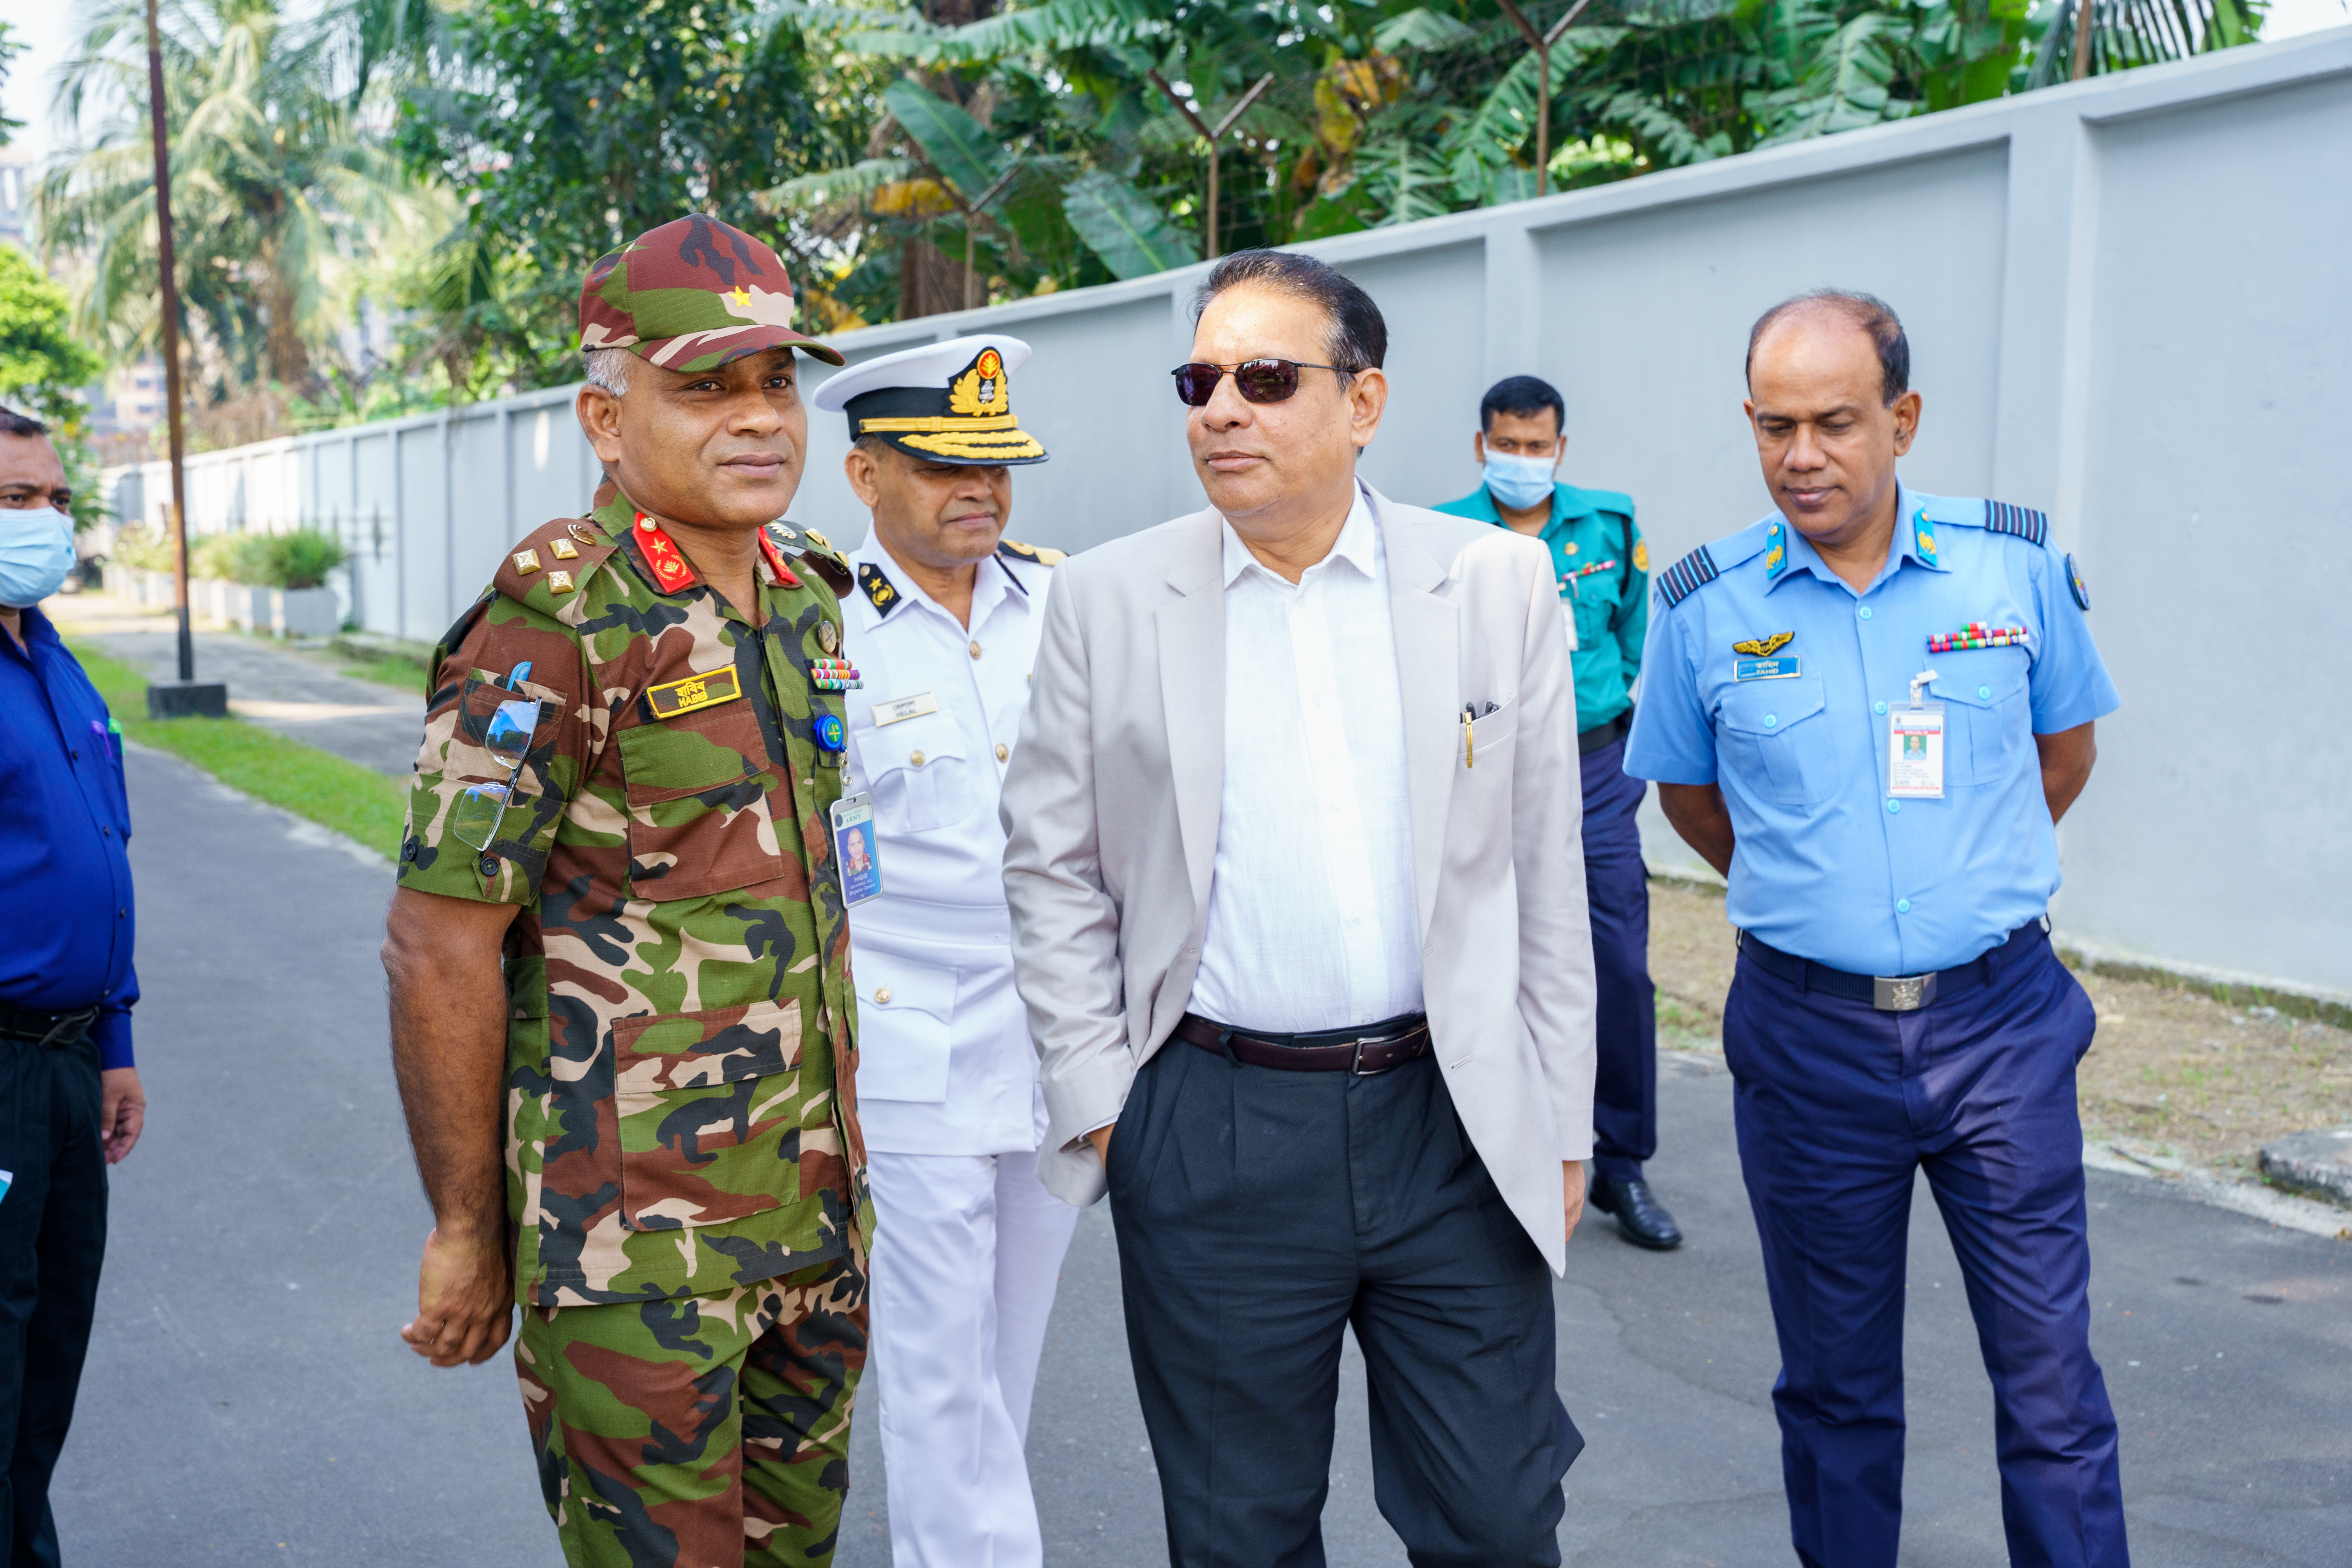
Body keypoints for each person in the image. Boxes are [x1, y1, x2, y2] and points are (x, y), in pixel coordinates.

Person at [1000, 249, 1596, 1568]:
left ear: (1365, 403)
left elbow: (1548, 871)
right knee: (1239, 1531)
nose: (1223, 409)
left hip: (1451, 1117)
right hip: (1212, 1129)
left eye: (1266, 379)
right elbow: (1049, 866)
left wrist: (1561, 1116)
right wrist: (1109, 1101)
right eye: (1200, 381)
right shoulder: (1108, 600)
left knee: (1499, 1519)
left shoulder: (1491, 583)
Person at [380, 215, 875, 1568]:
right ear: (610, 418)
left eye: (777, 381)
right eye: (705, 386)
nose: (760, 418)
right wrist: (468, 1229)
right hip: (632, 1244)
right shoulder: (554, 623)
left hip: (814, 1221)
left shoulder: (806, 600)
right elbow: (438, 947)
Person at [1624, 290, 2124, 1568]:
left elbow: (2059, 755)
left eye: (1837, 424)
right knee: (1837, 1392)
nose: (1805, 456)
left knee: (2051, 1386)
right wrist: (1827, 906)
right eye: (1777, 426)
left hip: (1999, 1031)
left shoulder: (2010, 568)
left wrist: (1962, 891)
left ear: (1902, 420)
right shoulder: (1704, 607)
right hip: (1808, 1045)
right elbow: (1692, 799)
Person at [810, 334, 1080, 1568]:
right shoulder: (820, 632)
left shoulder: (1063, 604)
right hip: (910, 1043)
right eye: (942, 468)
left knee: (1007, 1359)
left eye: (997, 467)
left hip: (1058, 1035)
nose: (981, 492)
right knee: (936, 1368)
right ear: (865, 477)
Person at [1433, 374, 1680, 1251]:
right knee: (1478, 943)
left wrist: (1604, 712)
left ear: (1561, 450)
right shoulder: (1448, 535)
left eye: (1539, 448)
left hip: (1595, 762)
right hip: (1486, 762)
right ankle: (1485, 1136)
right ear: (1482, 443)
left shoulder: (1609, 525)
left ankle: (1619, 1160)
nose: (1523, 461)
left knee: (1615, 954)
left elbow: (1629, 631)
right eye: (1509, 444)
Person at [0, 406, 147, 1567]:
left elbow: (101, 847)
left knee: (51, 1351)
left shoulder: (53, 659)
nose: (46, 522)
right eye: (17, 502)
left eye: (54, 499)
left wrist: (114, 1043)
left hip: (65, 1065)